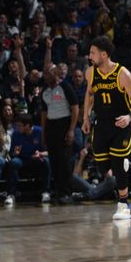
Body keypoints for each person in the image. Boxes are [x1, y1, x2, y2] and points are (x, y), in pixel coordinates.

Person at [82, 36, 131, 221]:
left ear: (104, 54)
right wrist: (85, 118)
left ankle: (124, 204)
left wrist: (130, 117)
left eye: (93, 52)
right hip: (101, 123)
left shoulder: (122, 73)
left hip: (121, 122)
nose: (89, 55)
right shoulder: (90, 73)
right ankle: (124, 168)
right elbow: (89, 94)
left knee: (118, 161)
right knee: (102, 164)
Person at [40, 59, 79, 205]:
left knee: (65, 160)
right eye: (44, 73)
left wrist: (71, 130)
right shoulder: (45, 91)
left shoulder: (65, 87)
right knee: (54, 160)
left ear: (55, 72)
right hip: (51, 126)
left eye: (47, 72)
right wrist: (44, 133)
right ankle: (58, 192)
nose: (45, 75)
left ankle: (67, 192)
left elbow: (75, 108)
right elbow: (44, 113)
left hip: (64, 124)